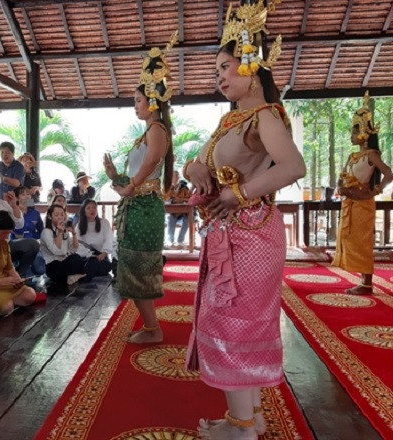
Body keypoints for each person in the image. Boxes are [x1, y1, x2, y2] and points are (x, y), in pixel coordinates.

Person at [182, 4, 306, 438]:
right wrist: (192, 169)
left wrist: (236, 194)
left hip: (250, 233)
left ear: (251, 68)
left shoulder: (265, 115)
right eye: (217, 68)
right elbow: (197, 162)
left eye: (225, 67)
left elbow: (293, 166)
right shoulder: (229, 121)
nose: (218, 76)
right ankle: (248, 418)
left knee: (235, 319)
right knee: (239, 319)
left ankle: (240, 428)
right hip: (232, 233)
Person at [103, 35, 177, 345]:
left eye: (137, 100)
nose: (135, 105)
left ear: (152, 101)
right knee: (131, 264)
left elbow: (153, 161)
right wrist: (116, 176)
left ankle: (152, 329)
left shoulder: (157, 130)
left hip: (145, 206)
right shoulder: (147, 132)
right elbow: (139, 173)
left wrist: (130, 185)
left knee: (139, 266)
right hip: (138, 205)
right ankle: (150, 326)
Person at [332, 91, 393, 295]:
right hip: (350, 203)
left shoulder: (371, 155)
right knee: (351, 239)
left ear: (365, 132)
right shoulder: (353, 156)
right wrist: (342, 184)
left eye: (353, 131)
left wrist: (374, 192)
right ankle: (362, 280)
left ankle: (367, 283)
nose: (351, 136)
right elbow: (343, 177)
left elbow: (388, 174)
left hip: (362, 203)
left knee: (362, 241)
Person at [40, 204, 87, 285]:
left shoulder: (64, 231)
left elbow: (74, 248)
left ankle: (73, 276)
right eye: (56, 215)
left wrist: (74, 233)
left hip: (64, 263)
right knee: (75, 259)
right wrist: (60, 233)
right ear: (49, 216)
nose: (60, 217)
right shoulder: (46, 232)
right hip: (52, 266)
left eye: (62, 214)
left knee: (80, 259)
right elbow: (56, 251)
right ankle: (75, 276)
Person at [76, 199, 113, 280]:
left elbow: (109, 239)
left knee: (107, 267)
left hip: (101, 256)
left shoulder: (104, 222)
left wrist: (104, 253)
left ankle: (83, 274)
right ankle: (86, 273)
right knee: (93, 264)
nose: (92, 210)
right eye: (88, 208)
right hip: (86, 256)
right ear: (84, 211)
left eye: (94, 207)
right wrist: (90, 255)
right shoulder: (80, 225)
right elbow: (78, 244)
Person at [164, 170, 191, 248]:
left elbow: (190, 199)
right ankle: (170, 240)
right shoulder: (167, 187)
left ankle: (180, 240)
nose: (176, 177)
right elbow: (164, 198)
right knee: (171, 218)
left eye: (177, 176)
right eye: (174, 176)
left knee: (187, 219)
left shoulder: (185, 188)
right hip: (172, 213)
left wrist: (182, 200)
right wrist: (172, 200)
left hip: (183, 213)